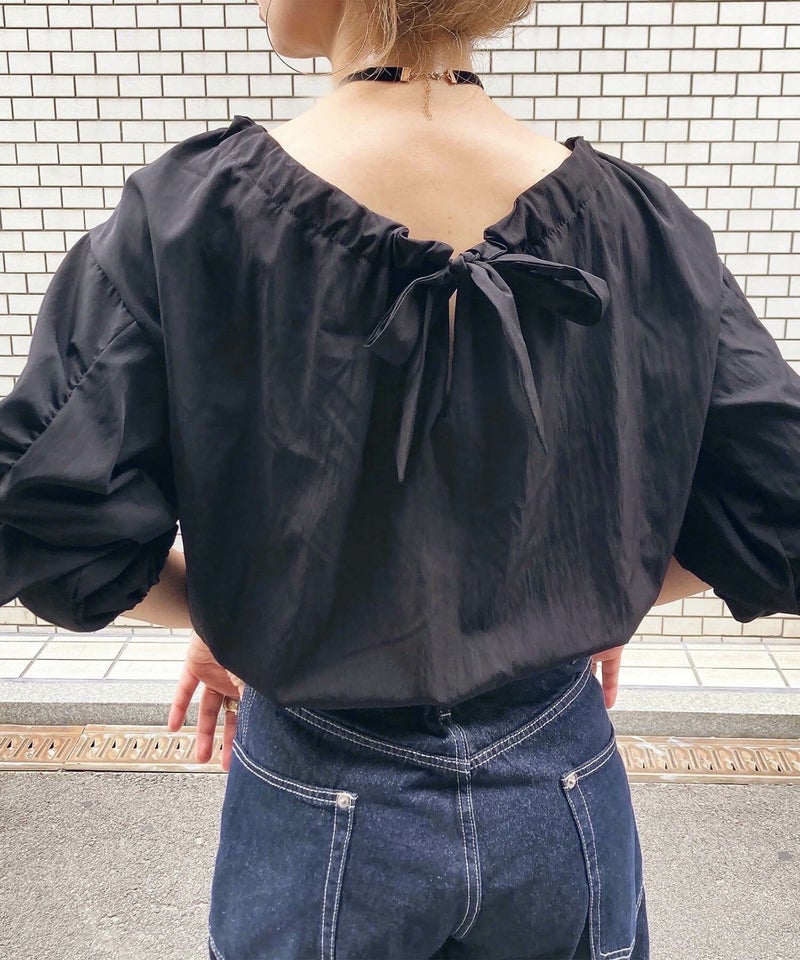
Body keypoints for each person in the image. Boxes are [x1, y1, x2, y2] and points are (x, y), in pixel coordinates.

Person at [2, 0, 799, 957]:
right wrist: (580, 597)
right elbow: (780, 507)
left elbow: (49, 523)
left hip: (318, 785)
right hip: (561, 782)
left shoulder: (188, 216)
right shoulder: (643, 224)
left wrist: (247, 613)